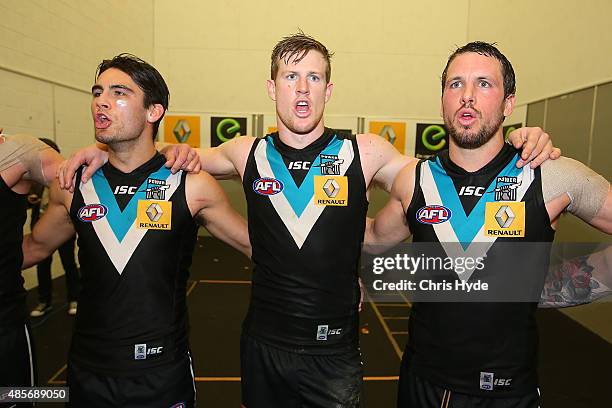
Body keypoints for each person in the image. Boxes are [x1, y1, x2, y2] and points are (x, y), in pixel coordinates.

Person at [59, 34, 560, 408]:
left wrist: (515, 144)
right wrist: (101, 151)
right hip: (262, 346)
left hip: (334, 352)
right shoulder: (244, 152)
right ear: (271, 88)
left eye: (314, 77)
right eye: (290, 76)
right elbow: (164, 155)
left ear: (329, 89)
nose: (302, 88)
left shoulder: (364, 152)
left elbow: (446, 174)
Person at [364, 41, 611, 407]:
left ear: (508, 103)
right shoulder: (415, 180)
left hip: (507, 393)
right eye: (455, 84)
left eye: (483, 84)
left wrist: (558, 285)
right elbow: (371, 238)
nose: (467, 96)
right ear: (443, 100)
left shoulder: (549, 175)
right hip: (421, 385)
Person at [22, 54, 250, 408]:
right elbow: (34, 248)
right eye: (98, 92)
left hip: (160, 374)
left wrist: (344, 272)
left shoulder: (191, 184)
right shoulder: (73, 184)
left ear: (153, 111)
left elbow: (258, 247)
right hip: (87, 372)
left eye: (119, 92)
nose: (102, 100)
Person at [0, 129, 63, 406]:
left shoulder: (17, 152)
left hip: (4, 327)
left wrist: (165, 152)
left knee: (18, 400)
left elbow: (88, 181)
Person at [27, 138, 80, 318]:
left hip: (63, 227)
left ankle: (74, 298)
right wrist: (30, 199)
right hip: (41, 224)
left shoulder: (67, 173)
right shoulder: (35, 176)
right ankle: (44, 301)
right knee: (42, 265)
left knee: (69, 263)